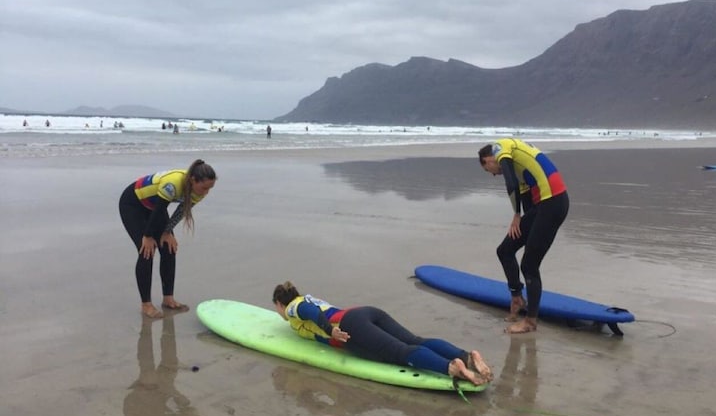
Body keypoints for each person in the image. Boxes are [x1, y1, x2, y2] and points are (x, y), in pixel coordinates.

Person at [272, 281, 493, 385]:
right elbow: (314, 309)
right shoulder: (307, 297)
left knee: (401, 353)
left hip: (349, 328)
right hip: (364, 313)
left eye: (276, 308)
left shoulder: (293, 307)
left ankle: (451, 368)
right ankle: (467, 356)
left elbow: (309, 313)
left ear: (279, 304)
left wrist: (332, 331)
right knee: (415, 340)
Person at [478, 139, 569, 334]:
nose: (494, 174)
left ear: (488, 159)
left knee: (529, 264)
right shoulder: (518, 166)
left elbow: (509, 182)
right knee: (505, 250)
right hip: (541, 207)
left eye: (489, 170)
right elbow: (525, 197)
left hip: (553, 201)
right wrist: (528, 228)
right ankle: (517, 297)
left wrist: (516, 216)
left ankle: (530, 321)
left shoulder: (499, 148)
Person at [119, 159, 217, 318]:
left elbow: (180, 212)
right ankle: (146, 304)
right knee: (146, 251)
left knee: (169, 248)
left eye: (210, 188)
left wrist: (167, 232)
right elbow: (159, 210)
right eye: (204, 187)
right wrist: (148, 236)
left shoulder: (198, 192)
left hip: (154, 208)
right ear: (193, 180)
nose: (206, 192)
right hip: (133, 204)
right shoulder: (173, 184)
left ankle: (168, 299)